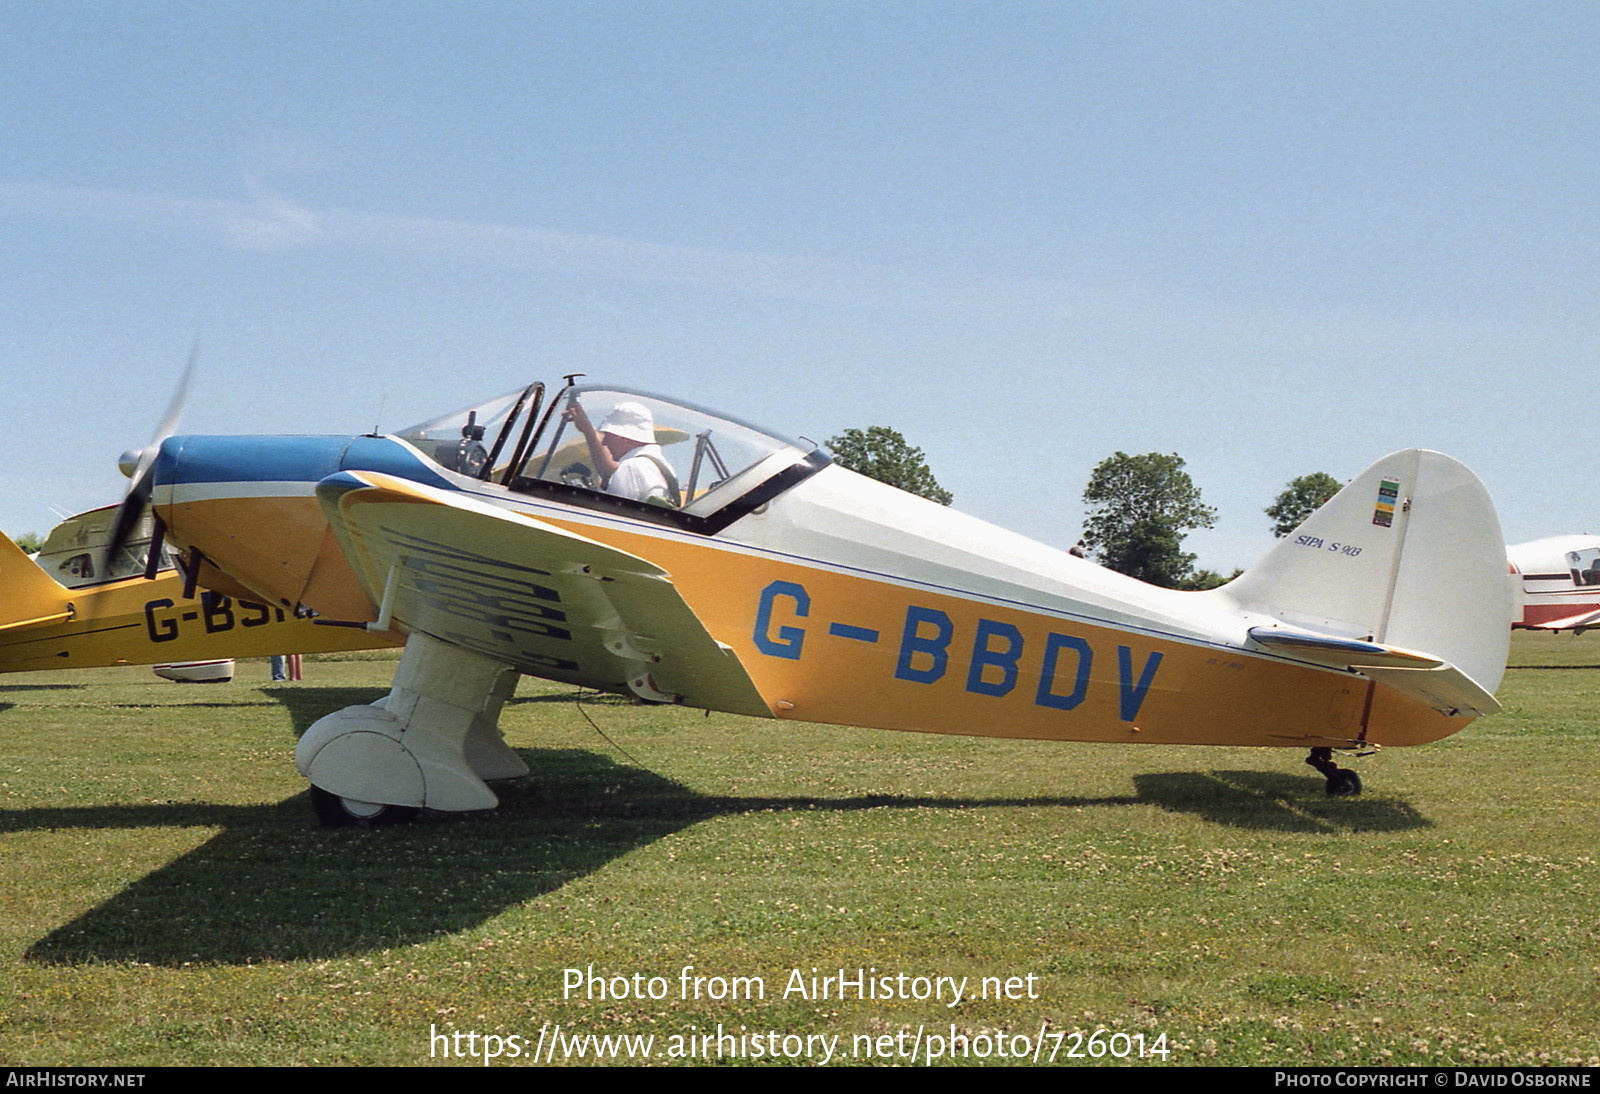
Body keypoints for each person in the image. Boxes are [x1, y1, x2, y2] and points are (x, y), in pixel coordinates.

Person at [563, 399, 678, 505]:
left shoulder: (631, 467)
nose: (605, 443)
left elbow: (611, 515)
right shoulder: (657, 465)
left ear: (625, 437)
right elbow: (610, 472)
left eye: (608, 435)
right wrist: (588, 431)